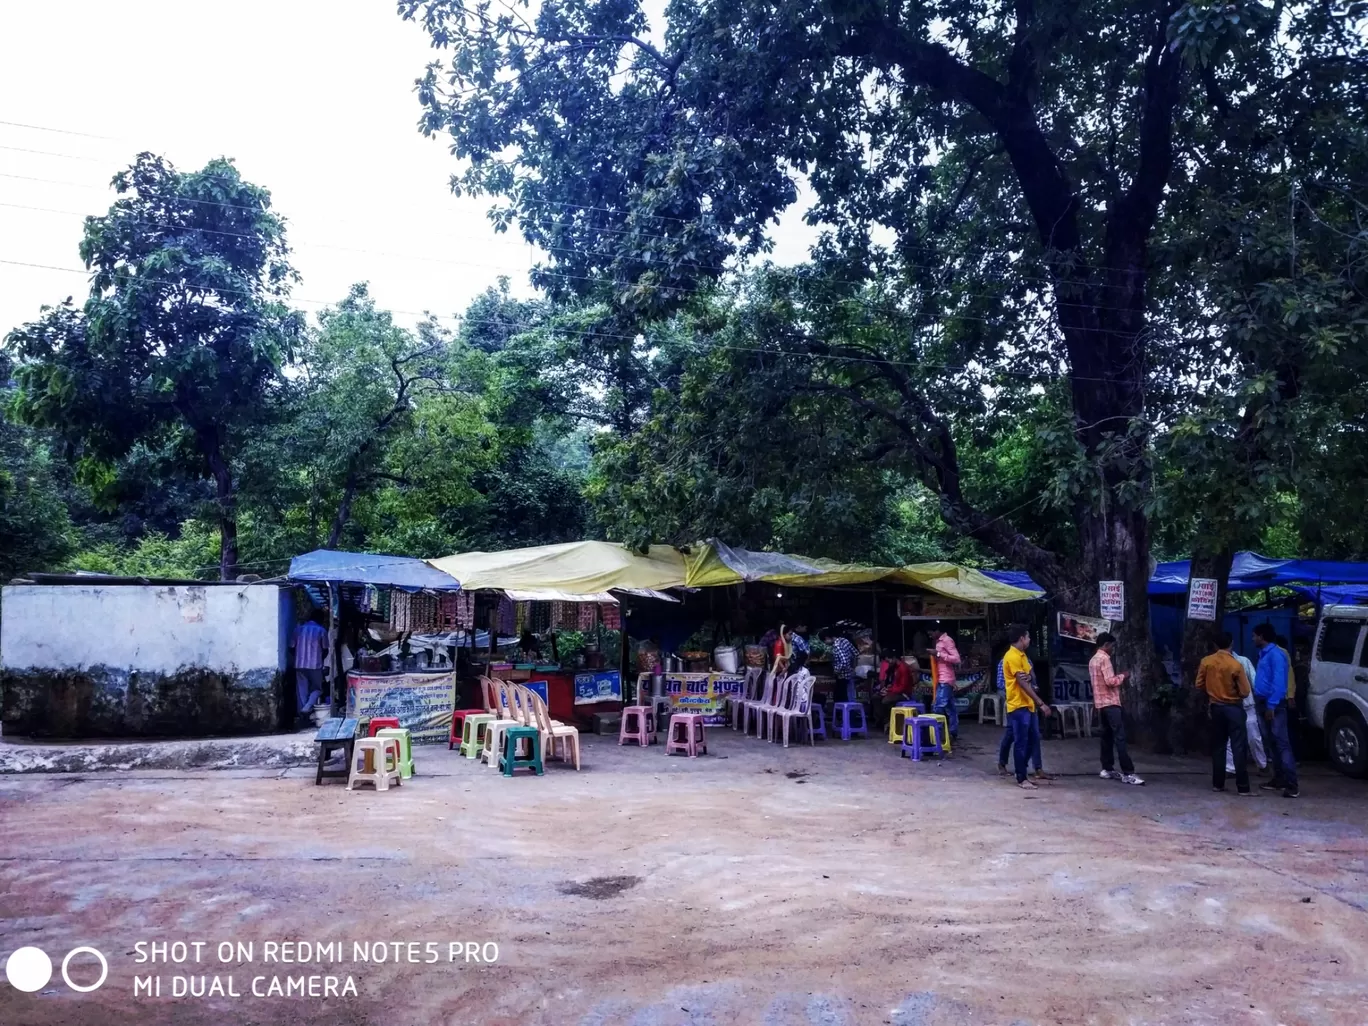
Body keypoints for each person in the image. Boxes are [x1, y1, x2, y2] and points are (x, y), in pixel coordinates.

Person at [1195, 632, 1254, 795]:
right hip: (1234, 707)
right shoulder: (1235, 665)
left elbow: (1199, 684)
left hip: (1216, 707)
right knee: (1238, 747)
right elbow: (1245, 691)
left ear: (1215, 645)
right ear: (1231, 644)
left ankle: (1218, 784)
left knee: (1218, 747)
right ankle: (1243, 787)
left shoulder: (1206, 662)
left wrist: (1213, 691)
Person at [1090, 633, 1143, 785]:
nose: (1112, 649)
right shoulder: (1104, 659)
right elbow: (1110, 681)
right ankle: (1128, 772)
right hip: (1111, 703)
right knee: (1120, 737)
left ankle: (1107, 768)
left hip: (1100, 703)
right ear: (1106, 645)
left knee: (1106, 737)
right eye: (1112, 646)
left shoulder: (1093, 659)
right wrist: (1123, 676)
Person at [1002, 625, 1051, 790]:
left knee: (1033, 739)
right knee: (1021, 742)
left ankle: (1020, 770)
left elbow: (1031, 676)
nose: (1030, 640)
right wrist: (1041, 703)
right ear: (1022, 638)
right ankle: (1021, 777)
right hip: (1018, 705)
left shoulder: (1022, 655)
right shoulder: (1012, 656)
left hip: (1028, 705)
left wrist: (1029, 677)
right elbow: (1023, 683)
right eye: (1028, 637)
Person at [1253, 624, 1299, 798]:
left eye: (1254, 635)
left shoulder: (1276, 655)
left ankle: (1292, 784)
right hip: (1264, 702)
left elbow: (1280, 683)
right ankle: (1278, 779)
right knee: (1272, 742)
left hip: (1273, 704)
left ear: (1261, 636)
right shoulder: (1265, 654)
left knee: (1281, 743)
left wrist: (1271, 705)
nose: (1253, 639)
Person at [1225, 649, 1267, 777]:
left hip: (1246, 705)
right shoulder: (1230, 662)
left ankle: (1262, 764)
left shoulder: (1243, 661)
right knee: (1231, 738)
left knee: (1254, 737)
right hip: (1233, 704)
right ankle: (1231, 768)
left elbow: (1254, 681)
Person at [291, 613, 328, 726]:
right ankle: (306, 709)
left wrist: (298, 657)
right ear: (320, 620)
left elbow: (291, 647)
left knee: (302, 690)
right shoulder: (321, 630)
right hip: (315, 665)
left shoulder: (298, 630)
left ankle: (303, 717)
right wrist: (320, 659)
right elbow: (325, 649)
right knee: (317, 689)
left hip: (299, 664)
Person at [929, 626, 962, 741]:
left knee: (938, 706)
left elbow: (957, 659)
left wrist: (938, 654)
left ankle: (937, 735)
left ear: (937, 630)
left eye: (931, 633)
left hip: (945, 678)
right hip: (942, 677)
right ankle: (953, 732)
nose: (930, 636)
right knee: (950, 707)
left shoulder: (947, 640)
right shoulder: (938, 641)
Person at [821, 628, 859, 704]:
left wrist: (836, 670)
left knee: (840, 699)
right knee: (850, 697)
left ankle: (842, 715)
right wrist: (853, 668)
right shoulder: (844, 640)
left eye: (824, 641)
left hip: (842, 676)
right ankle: (849, 714)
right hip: (850, 674)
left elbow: (844, 661)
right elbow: (856, 653)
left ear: (827, 638)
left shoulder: (836, 646)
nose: (825, 643)